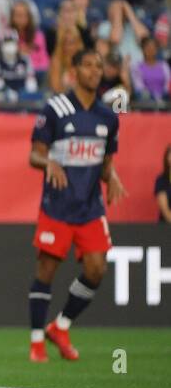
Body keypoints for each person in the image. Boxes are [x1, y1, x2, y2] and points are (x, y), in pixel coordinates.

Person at [27, 50, 126, 363]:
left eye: (99, 66)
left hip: (90, 207)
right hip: (57, 205)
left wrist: (112, 178)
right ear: (75, 71)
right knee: (46, 271)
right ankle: (36, 342)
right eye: (87, 65)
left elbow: (105, 161)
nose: (95, 71)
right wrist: (49, 162)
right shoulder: (55, 109)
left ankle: (62, 325)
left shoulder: (108, 117)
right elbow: (34, 155)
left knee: (97, 269)